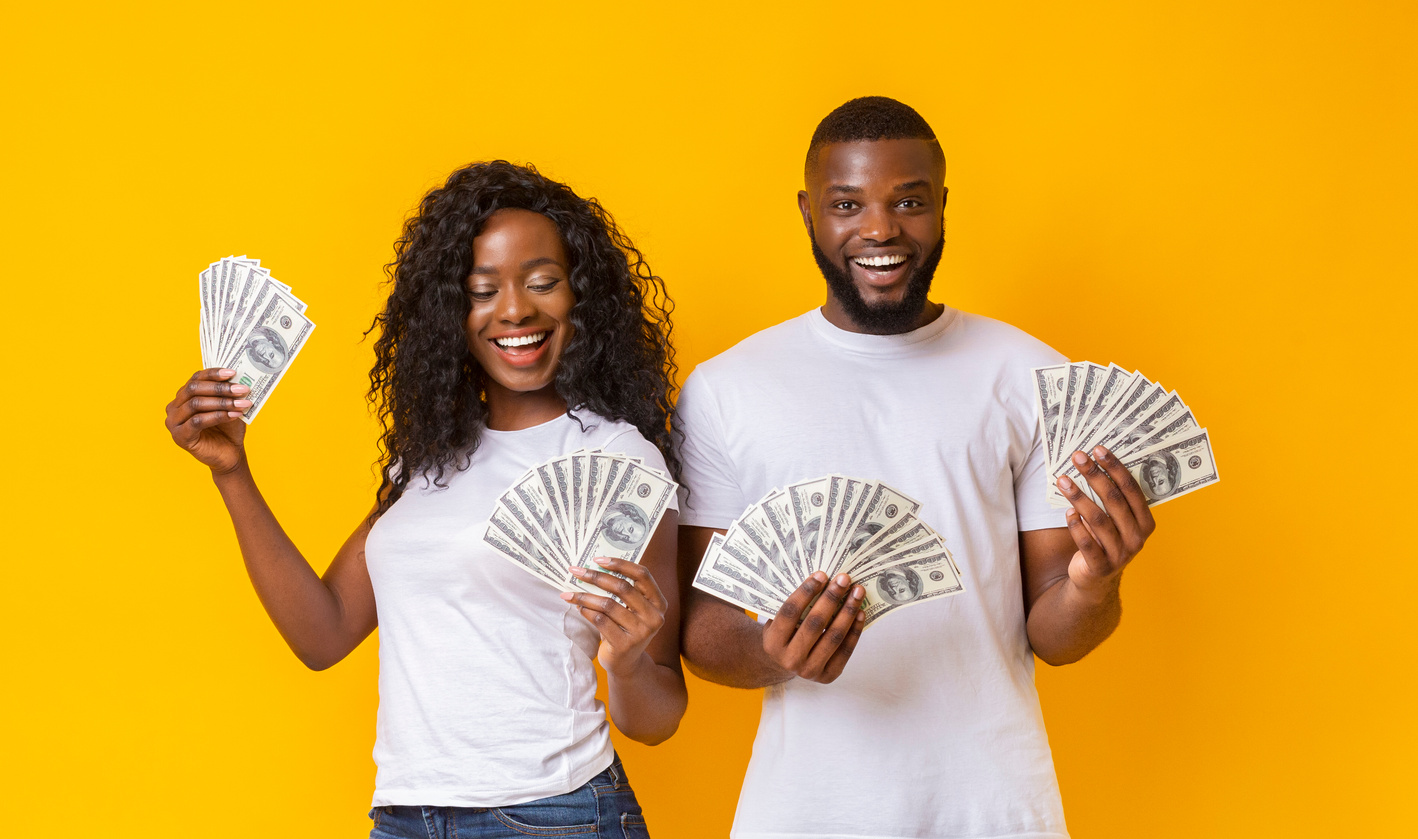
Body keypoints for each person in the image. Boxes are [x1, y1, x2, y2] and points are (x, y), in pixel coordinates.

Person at [674, 97, 1158, 838]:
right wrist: (771, 650)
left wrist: (1098, 581)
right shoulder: (727, 388)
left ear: (941, 206)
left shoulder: (1027, 373)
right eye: (847, 204)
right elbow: (702, 624)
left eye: (909, 201)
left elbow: (1057, 632)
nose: (879, 229)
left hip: (994, 807)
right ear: (808, 212)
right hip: (806, 811)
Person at [165, 161, 685, 839]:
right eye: (481, 289)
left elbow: (659, 715)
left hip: (552, 813)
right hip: (405, 815)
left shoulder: (620, 460)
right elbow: (323, 634)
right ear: (450, 311)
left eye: (541, 282)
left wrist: (626, 660)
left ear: (580, 297)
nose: (515, 310)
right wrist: (232, 472)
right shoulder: (427, 461)